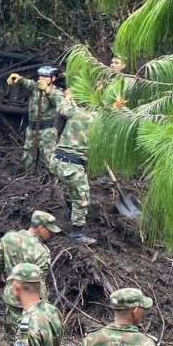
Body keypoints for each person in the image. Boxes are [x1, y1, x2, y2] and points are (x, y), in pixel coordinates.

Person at [0, 210, 61, 346]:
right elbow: (40, 282)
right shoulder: (42, 251)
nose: (51, 234)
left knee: (14, 335)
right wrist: (43, 304)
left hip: (12, 295)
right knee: (33, 334)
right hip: (32, 302)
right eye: (49, 230)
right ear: (41, 228)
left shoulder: (9, 238)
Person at [51, 89, 95, 244]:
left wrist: (67, 97)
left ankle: (70, 211)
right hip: (72, 165)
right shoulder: (99, 124)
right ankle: (77, 233)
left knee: (69, 186)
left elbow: (61, 105)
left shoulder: (75, 112)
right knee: (82, 197)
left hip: (56, 160)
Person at [7, 66, 62, 168]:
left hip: (47, 131)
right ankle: (28, 176)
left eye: (46, 76)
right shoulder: (35, 88)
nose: (42, 79)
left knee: (49, 157)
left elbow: (58, 101)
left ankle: (50, 179)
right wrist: (19, 79)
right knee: (28, 155)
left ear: (53, 78)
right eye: (41, 76)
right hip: (32, 129)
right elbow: (28, 84)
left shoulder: (56, 92)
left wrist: (47, 91)